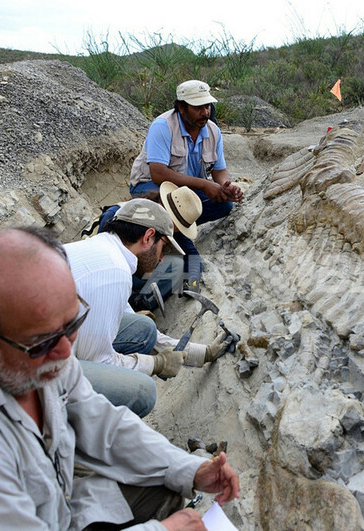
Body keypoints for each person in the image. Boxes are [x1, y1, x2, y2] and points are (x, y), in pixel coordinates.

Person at [0, 226, 239, 529]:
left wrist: (191, 469)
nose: (66, 352)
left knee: (166, 479)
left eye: (71, 323)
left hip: (60, 508)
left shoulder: (33, 352)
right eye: (43, 341)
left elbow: (102, 422)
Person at [66, 199, 226, 416]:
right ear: (148, 237)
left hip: (41, 342)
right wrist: (155, 364)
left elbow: (144, 329)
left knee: (143, 328)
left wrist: (200, 354)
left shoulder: (103, 249)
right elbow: (98, 361)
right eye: (163, 249)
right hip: (28, 373)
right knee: (143, 392)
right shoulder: (114, 273)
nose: (162, 259)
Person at [130, 80, 244, 293]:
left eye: (207, 106)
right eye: (198, 107)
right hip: (149, 188)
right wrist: (204, 184)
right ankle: (187, 256)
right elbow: (158, 173)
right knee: (168, 212)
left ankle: (171, 230)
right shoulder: (162, 126)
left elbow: (219, 170)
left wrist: (226, 186)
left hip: (185, 193)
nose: (205, 112)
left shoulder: (212, 131)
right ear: (181, 107)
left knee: (225, 206)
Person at [96, 183, 204, 312]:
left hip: (135, 272)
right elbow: (102, 260)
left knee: (176, 265)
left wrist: (192, 281)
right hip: (109, 275)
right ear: (162, 207)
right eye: (176, 225)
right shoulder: (118, 214)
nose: (174, 230)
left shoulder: (169, 227)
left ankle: (139, 304)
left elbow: (192, 255)